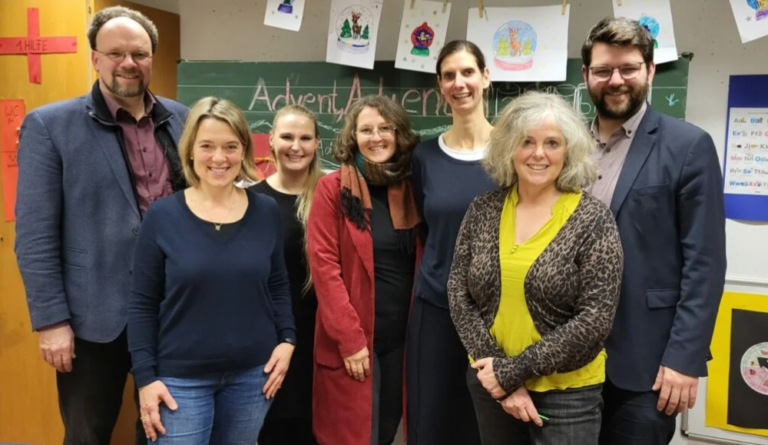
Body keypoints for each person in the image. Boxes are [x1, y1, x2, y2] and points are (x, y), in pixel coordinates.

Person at [14, 6, 187, 444]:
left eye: (139, 53)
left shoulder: (183, 119)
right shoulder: (50, 126)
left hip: (173, 309)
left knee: (166, 429)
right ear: (95, 58)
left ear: (151, 57)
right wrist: (51, 321)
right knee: (88, 433)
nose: (128, 63)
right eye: (116, 53)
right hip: (93, 318)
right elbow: (34, 236)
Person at [579, 17, 727, 445]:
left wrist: (685, 358)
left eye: (628, 68)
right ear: (587, 74)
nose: (616, 80)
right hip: (568, 361)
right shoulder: (566, 148)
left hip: (647, 364)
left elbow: (706, 262)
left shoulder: (687, 146)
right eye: (604, 70)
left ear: (650, 70)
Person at [447, 91, 624, 445]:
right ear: (509, 148)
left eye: (552, 143)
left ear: (569, 151)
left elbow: (595, 319)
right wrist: (497, 374)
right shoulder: (483, 210)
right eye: (526, 141)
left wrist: (513, 372)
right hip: (490, 384)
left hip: (567, 395)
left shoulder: (592, 218)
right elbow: (458, 292)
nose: (538, 153)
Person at [127, 97, 296, 443]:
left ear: (244, 151)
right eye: (207, 146)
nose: (219, 158)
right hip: (179, 381)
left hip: (254, 376)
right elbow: (141, 304)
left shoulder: (265, 212)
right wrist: (145, 378)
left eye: (231, 146)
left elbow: (277, 283)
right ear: (190, 150)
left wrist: (288, 339)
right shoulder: (162, 217)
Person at [306, 95, 421, 445]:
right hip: (354, 344)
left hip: (404, 340)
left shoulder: (414, 187)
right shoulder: (332, 189)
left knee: (389, 432)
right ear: (352, 136)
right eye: (366, 129)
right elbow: (324, 267)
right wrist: (351, 340)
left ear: (399, 133)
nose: (376, 137)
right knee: (350, 436)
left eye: (385, 128)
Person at [406, 40, 494, 445]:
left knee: (486, 423)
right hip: (437, 307)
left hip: (497, 314)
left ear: (485, 77)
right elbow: (426, 227)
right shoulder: (424, 157)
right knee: (434, 418)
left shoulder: (514, 153)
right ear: (440, 85)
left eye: (467, 72)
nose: (459, 83)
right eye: (448, 76)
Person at [255, 104, 324, 445]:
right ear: (271, 141)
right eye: (287, 136)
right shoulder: (250, 200)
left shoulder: (333, 195)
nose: (295, 146)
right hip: (268, 339)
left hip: (321, 339)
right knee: (270, 429)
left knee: (314, 429)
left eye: (305, 138)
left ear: (316, 144)